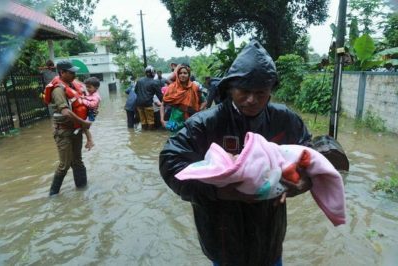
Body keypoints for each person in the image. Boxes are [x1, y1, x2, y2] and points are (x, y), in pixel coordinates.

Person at [159, 40, 313, 265]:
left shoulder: (284, 119)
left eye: (260, 93)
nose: (252, 100)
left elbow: (310, 152)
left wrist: (302, 182)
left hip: (269, 234)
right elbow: (170, 162)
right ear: (230, 88)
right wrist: (220, 192)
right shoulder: (205, 123)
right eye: (244, 91)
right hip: (221, 235)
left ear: (271, 90)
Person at [43, 60, 92, 196]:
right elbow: (65, 112)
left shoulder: (73, 86)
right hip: (63, 131)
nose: (74, 74)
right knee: (64, 165)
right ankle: (53, 196)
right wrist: (83, 122)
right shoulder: (58, 90)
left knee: (78, 161)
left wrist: (88, 131)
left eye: (74, 72)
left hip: (76, 130)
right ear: (62, 73)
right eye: (71, 72)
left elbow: (82, 107)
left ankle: (82, 191)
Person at [161, 64, 206, 132]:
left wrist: (198, 112)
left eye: (185, 73)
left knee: (191, 140)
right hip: (175, 120)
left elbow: (204, 102)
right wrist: (162, 120)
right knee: (175, 140)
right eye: (180, 73)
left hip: (191, 119)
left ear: (189, 75)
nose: (182, 75)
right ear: (177, 75)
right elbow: (163, 104)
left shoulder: (195, 87)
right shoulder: (172, 87)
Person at [134, 65, 163, 130]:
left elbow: (135, 91)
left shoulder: (139, 81)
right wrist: (164, 103)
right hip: (148, 104)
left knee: (143, 121)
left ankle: (144, 134)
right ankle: (149, 135)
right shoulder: (154, 82)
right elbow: (160, 95)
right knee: (150, 121)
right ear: (152, 73)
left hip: (139, 104)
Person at [81, 76, 101, 150]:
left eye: (89, 87)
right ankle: (88, 142)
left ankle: (90, 141)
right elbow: (88, 97)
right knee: (84, 128)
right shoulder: (92, 94)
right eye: (87, 87)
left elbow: (92, 105)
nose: (87, 89)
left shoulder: (96, 96)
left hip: (91, 114)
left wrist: (83, 101)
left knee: (85, 127)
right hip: (90, 113)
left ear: (96, 88)